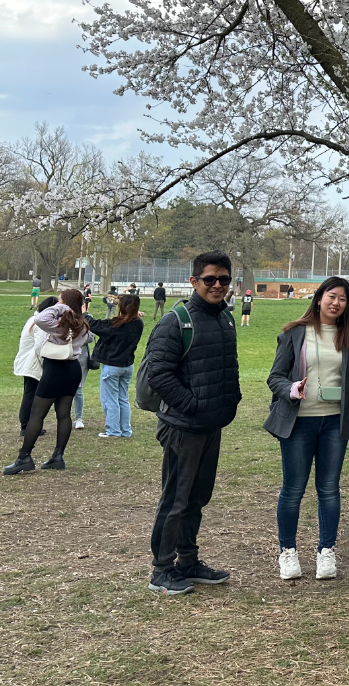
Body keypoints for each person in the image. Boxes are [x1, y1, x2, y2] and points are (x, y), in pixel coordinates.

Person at [145, 251, 242, 595]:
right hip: (183, 427)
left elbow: (225, 364)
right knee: (176, 499)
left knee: (198, 497)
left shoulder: (224, 318)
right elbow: (158, 373)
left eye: (224, 280)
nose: (218, 286)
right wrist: (192, 406)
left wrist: (229, 400)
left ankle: (188, 560)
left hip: (210, 424)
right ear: (194, 281)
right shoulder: (176, 321)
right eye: (210, 280)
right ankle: (162, 568)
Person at [265, 276, 349, 581]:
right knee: (293, 489)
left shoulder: (347, 338)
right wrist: (292, 388)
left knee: (329, 490)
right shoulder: (296, 333)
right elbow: (275, 377)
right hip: (299, 423)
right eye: (332, 296)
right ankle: (288, 552)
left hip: (333, 424)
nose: (336, 303)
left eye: (343, 299)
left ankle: (326, 552)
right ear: (319, 297)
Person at [3, 288, 91, 475]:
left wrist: (60, 307)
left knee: (37, 414)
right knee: (64, 414)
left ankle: (24, 457)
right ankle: (58, 456)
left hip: (55, 368)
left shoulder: (60, 323)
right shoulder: (82, 325)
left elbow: (40, 318)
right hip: (72, 369)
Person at [87, 293, 144, 438]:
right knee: (122, 398)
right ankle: (125, 430)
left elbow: (94, 325)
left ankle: (113, 430)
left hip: (112, 366)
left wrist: (84, 313)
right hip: (127, 365)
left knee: (110, 399)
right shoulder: (138, 323)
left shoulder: (116, 324)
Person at [13, 296, 58, 436]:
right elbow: (40, 346)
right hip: (34, 363)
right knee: (32, 395)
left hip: (30, 362)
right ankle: (27, 425)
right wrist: (46, 363)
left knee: (31, 394)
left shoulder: (34, 320)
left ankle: (30, 424)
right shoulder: (40, 323)